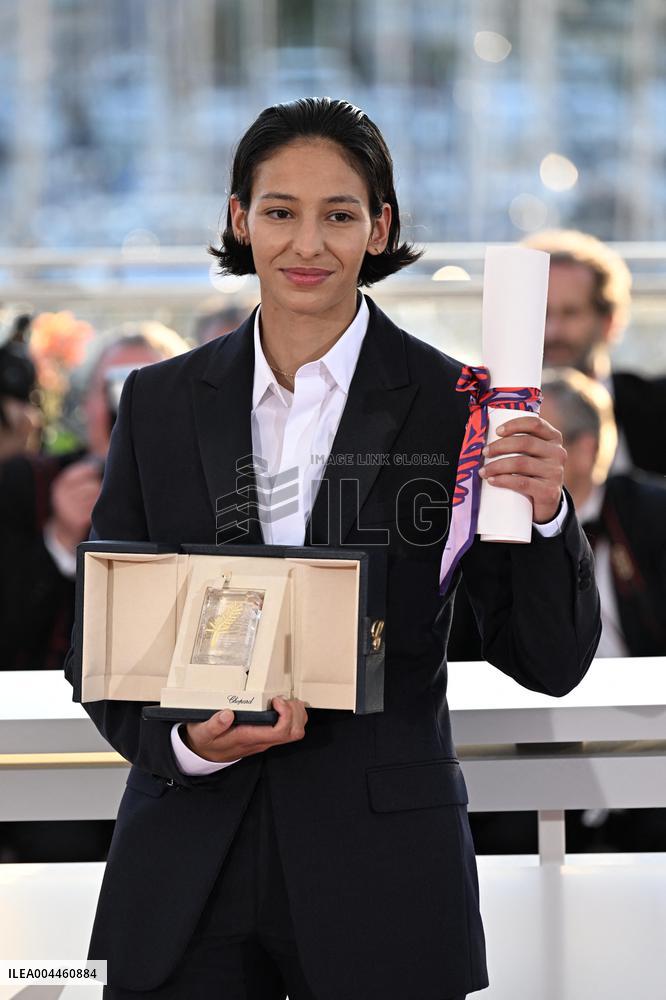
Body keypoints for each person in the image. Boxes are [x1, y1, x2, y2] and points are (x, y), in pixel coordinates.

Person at [64, 98, 601, 1000]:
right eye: (280, 211)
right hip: (186, 871)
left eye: (339, 214)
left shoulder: (456, 406)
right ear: (239, 219)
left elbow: (547, 661)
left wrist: (549, 516)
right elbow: (104, 641)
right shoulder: (156, 403)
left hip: (384, 872)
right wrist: (191, 743)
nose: (306, 244)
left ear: (379, 226)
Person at [0, 321, 188, 671]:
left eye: (148, 386)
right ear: (86, 403)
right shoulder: (27, 482)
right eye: (113, 387)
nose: (127, 403)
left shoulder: (208, 494)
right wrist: (60, 540)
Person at [522, 228, 666, 476]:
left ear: (609, 321)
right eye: (542, 313)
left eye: (571, 313)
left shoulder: (658, 408)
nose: (552, 332)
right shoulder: (486, 416)